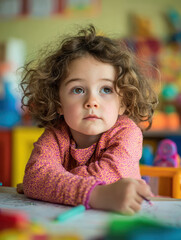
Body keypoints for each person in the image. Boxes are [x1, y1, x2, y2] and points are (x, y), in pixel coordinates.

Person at [19, 25, 158, 215]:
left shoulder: (128, 133)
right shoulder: (56, 134)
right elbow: (35, 178)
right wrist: (39, 182)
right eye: (78, 90)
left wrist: (48, 184)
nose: (92, 102)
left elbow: (110, 177)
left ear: (123, 102)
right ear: (58, 102)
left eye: (106, 90)